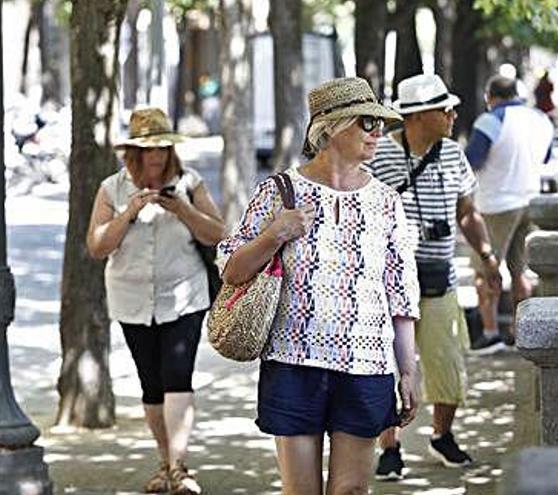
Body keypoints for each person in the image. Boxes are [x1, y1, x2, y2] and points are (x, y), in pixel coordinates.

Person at [218, 77, 420, 495]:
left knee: (351, 492)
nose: (378, 132)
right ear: (328, 128)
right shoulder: (277, 193)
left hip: (366, 365)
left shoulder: (386, 202)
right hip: (294, 362)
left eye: (380, 123)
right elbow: (231, 270)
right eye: (367, 122)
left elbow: (400, 295)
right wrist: (274, 234)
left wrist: (408, 371)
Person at [367, 74, 502, 479]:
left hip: (439, 278)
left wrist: (487, 255)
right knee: (385, 368)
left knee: (447, 364)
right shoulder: (379, 159)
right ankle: (389, 447)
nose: (453, 114)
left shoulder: (454, 155)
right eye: (444, 109)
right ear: (417, 116)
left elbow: (467, 212)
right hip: (388, 284)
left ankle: (442, 435)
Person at [86, 107, 225, 495]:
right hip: (131, 298)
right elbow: (97, 246)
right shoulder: (112, 189)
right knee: (151, 383)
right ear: (133, 154)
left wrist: (182, 209)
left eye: (163, 148)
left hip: (184, 296)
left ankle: (180, 468)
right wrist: (129, 212)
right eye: (149, 150)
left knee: (177, 377)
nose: (157, 156)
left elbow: (218, 233)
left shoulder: (189, 183)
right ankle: (165, 463)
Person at [465, 75, 554, 346]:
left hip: (496, 203)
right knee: (520, 271)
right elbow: (546, 157)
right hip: (529, 200)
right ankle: (521, 333)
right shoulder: (541, 119)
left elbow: (471, 160)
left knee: (485, 270)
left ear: (490, 97)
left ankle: (490, 335)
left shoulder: (490, 121)